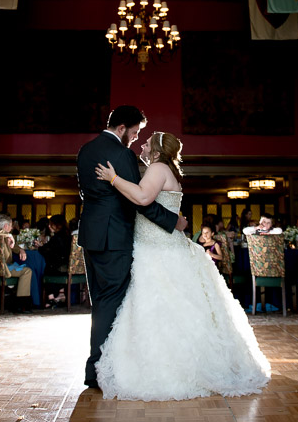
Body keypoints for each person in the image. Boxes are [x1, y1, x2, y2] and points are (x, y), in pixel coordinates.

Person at [94, 130, 270, 401]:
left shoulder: (157, 168)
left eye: (147, 142)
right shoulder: (165, 169)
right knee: (166, 309)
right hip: (160, 246)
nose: (142, 143)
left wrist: (113, 178)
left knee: (159, 308)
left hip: (157, 251)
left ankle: (166, 370)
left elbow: (142, 198)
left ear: (156, 151)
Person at [76, 105, 188, 390]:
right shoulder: (122, 154)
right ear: (122, 128)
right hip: (115, 238)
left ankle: (97, 369)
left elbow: (85, 192)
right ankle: (100, 371)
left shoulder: (85, 151)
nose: (137, 139)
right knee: (111, 304)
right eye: (135, 132)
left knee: (101, 301)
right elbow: (139, 201)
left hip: (91, 236)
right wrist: (174, 221)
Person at [0, 213, 34, 312]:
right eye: (10, 226)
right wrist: (8, 235)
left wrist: (20, 250)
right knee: (27, 271)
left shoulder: (2, 234)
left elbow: (13, 246)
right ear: (6, 226)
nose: (11, 228)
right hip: (0, 268)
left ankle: (19, 303)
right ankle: (21, 305)